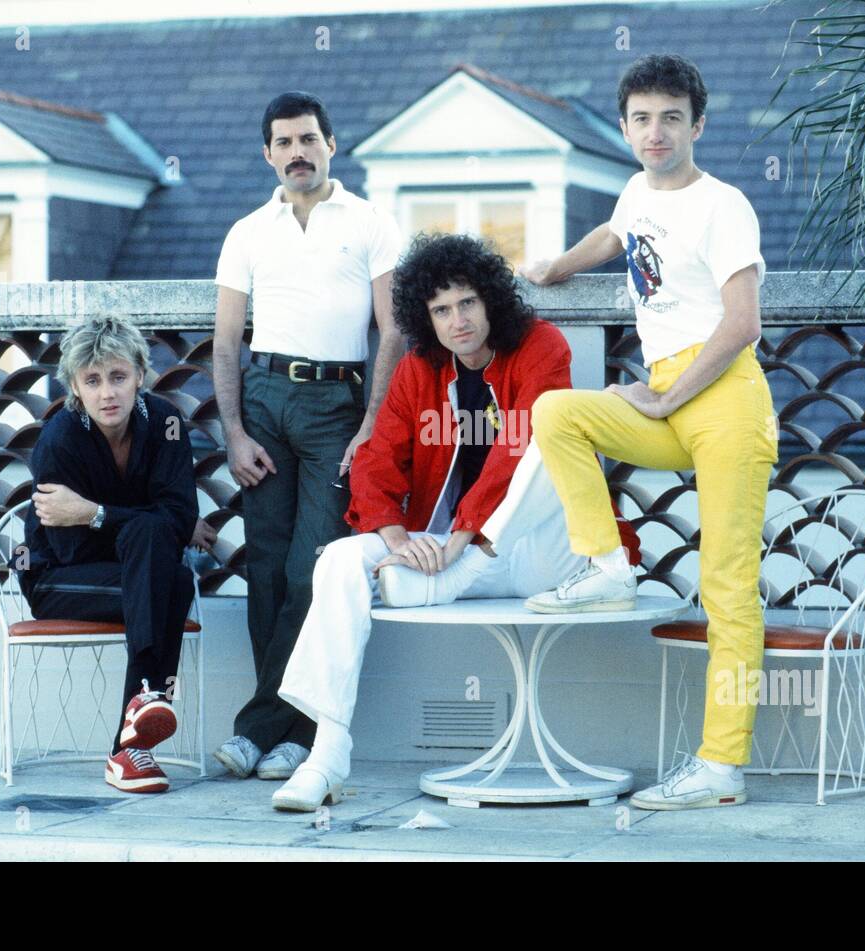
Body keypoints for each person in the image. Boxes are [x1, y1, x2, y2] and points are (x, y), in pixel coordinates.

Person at [270, 233, 640, 811]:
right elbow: (375, 458)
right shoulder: (421, 368)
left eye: (466, 302)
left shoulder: (543, 347)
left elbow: (513, 454)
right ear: (426, 319)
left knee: (544, 430)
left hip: (543, 552)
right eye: (440, 310)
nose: (456, 320)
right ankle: (327, 753)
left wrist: (462, 536)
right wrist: (394, 537)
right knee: (342, 558)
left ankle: (435, 580)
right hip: (449, 554)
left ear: (491, 300)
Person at [518, 53, 779, 810]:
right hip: (669, 393)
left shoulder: (723, 204)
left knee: (726, 587)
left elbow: (744, 323)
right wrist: (554, 270)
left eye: (671, 117)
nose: (655, 131)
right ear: (626, 127)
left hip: (725, 400)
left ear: (697, 123)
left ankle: (720, 766)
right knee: (558, 412)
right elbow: (615, 233)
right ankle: (606, 566)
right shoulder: (635, 189)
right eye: (641, 118)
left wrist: (667, 400)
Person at [211, 91, 405, 783]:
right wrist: (232, 430)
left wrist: (371, 425)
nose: (298, 152)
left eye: (309, 139)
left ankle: (280, 731)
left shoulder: (373, 225)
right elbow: (227, 340)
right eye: (284, 142)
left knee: (310, 569)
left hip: (336, 405)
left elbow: (396, 328)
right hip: (263, 402)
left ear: (331, 144)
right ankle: (283, 733)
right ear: (267, 153)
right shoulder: (247, 232)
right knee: (263, 568)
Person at [17, 315, 215, 794]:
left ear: (140, 377)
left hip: (129, 575)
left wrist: (95, 512)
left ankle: (133, 731)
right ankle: (132, 740)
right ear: (75, 388)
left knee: (166, 569)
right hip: (57, 580)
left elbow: (179, 516)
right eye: (93, 380)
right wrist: (145, 523)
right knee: (169, 578)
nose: (108, 392)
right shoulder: (60, 439)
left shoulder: (165, 423)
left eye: (118, 377)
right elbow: (69, 546)